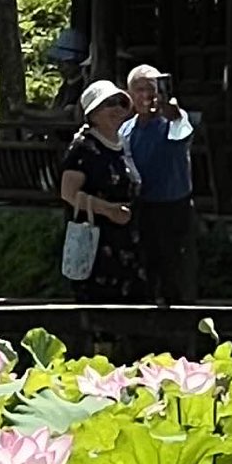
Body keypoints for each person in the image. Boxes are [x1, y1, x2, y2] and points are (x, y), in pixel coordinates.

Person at [60, 78, 148, 303]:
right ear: (93, 112)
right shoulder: (83, 147)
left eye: (121, 103)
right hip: (97, 243)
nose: (117, 109)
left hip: (128, 241)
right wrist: (108, 210)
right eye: (109, 104)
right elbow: (68, 193)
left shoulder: (123, 143)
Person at [123, 64, 199, 302]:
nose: (146, 96)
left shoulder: (174, 121)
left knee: (177, 272)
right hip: (142, 207)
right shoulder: (126, 130)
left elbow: (184, 133)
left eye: (152, 89)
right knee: (146, 268)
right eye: (139, 90)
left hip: (174, 207)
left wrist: (174, 115)